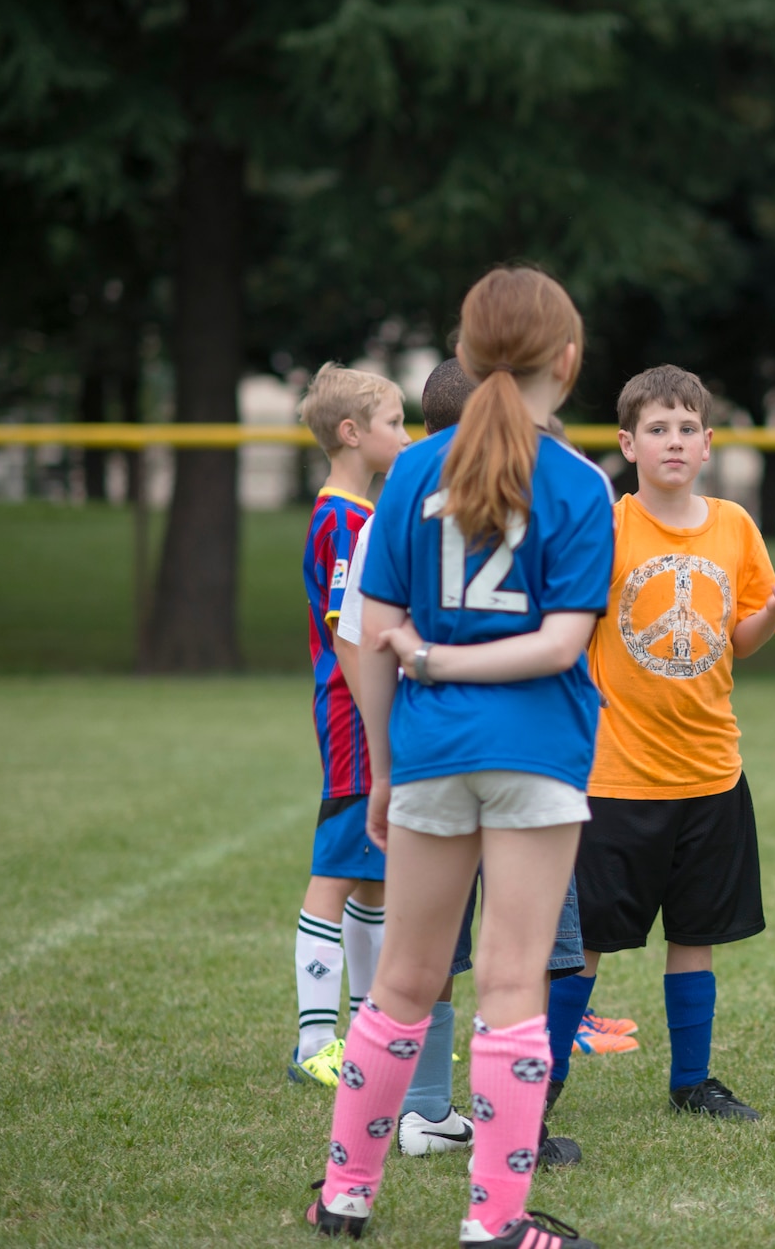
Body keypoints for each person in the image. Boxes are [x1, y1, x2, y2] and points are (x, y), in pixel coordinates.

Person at [393, 364, 775, 1123]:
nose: (674, 441)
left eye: (688, 429)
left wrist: (774, 611)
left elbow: (739, 639)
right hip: (616, 775)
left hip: (712, 771)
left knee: (697, 934)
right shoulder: (607, 522)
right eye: (658, 429)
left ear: (711, 443)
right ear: (628, 443)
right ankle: (541, 1087)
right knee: (577, 950)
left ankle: (694, 1079)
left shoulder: (734, 527)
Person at [306, 266, 609, 1249]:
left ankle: (345, 1195)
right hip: (536, 752)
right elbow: (562, 645)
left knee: (402, 979)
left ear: (468, 357)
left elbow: (367, 632)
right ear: (566, 361)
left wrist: (390, 765)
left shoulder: (410, 475)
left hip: (432, 748)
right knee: (512, 983)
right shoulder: (577, 481)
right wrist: (447, 659)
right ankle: (494, 1222)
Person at [289, 362, 410, 1086]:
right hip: (353, 713)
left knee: (373, 879)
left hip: (365, 712)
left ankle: (368, 1034)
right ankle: (313, 1044)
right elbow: (347, 633)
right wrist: (377, 723)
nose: (404, 435)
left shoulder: (360, 513)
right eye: (394, 422)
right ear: (351, 433)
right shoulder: (342, 518)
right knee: (335, 871)